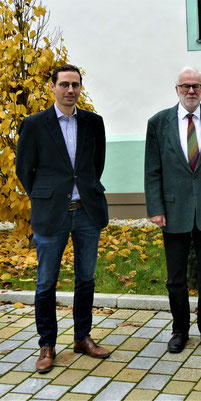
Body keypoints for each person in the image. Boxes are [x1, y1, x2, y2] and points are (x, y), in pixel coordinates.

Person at [16, 64, 111, 373]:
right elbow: (23, 169)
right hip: (50, 214)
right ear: (53, 87)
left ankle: (82, 338)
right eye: (65, 84)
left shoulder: (93, 122)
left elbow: (97, 164)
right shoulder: (34, 124)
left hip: (86, 212)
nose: (70, 90)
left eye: (76, 85)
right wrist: (45, 196)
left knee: (86, 279)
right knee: (46, 282)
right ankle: (47, 345)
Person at [144, 66, 201, 354]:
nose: (191, 91)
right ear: (177, 90)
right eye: (185, 86)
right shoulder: (158, 123)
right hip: (172, 211)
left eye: (196, 86)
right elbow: (152, 170)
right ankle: (179, 329)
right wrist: (156, 207)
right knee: (175, 279)